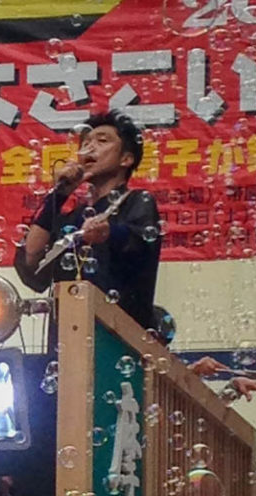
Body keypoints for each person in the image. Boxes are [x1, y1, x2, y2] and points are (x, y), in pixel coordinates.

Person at [14, 110, 161, 331]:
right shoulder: (72, 216)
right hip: (67, 338)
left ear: (126, 159)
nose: (90, 148)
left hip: (119, 336)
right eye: (86, 142)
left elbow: (140, 243)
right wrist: (61, 192)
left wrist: (108, 233)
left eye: (102, 141)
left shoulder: (137, 201)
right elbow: (31, 257)